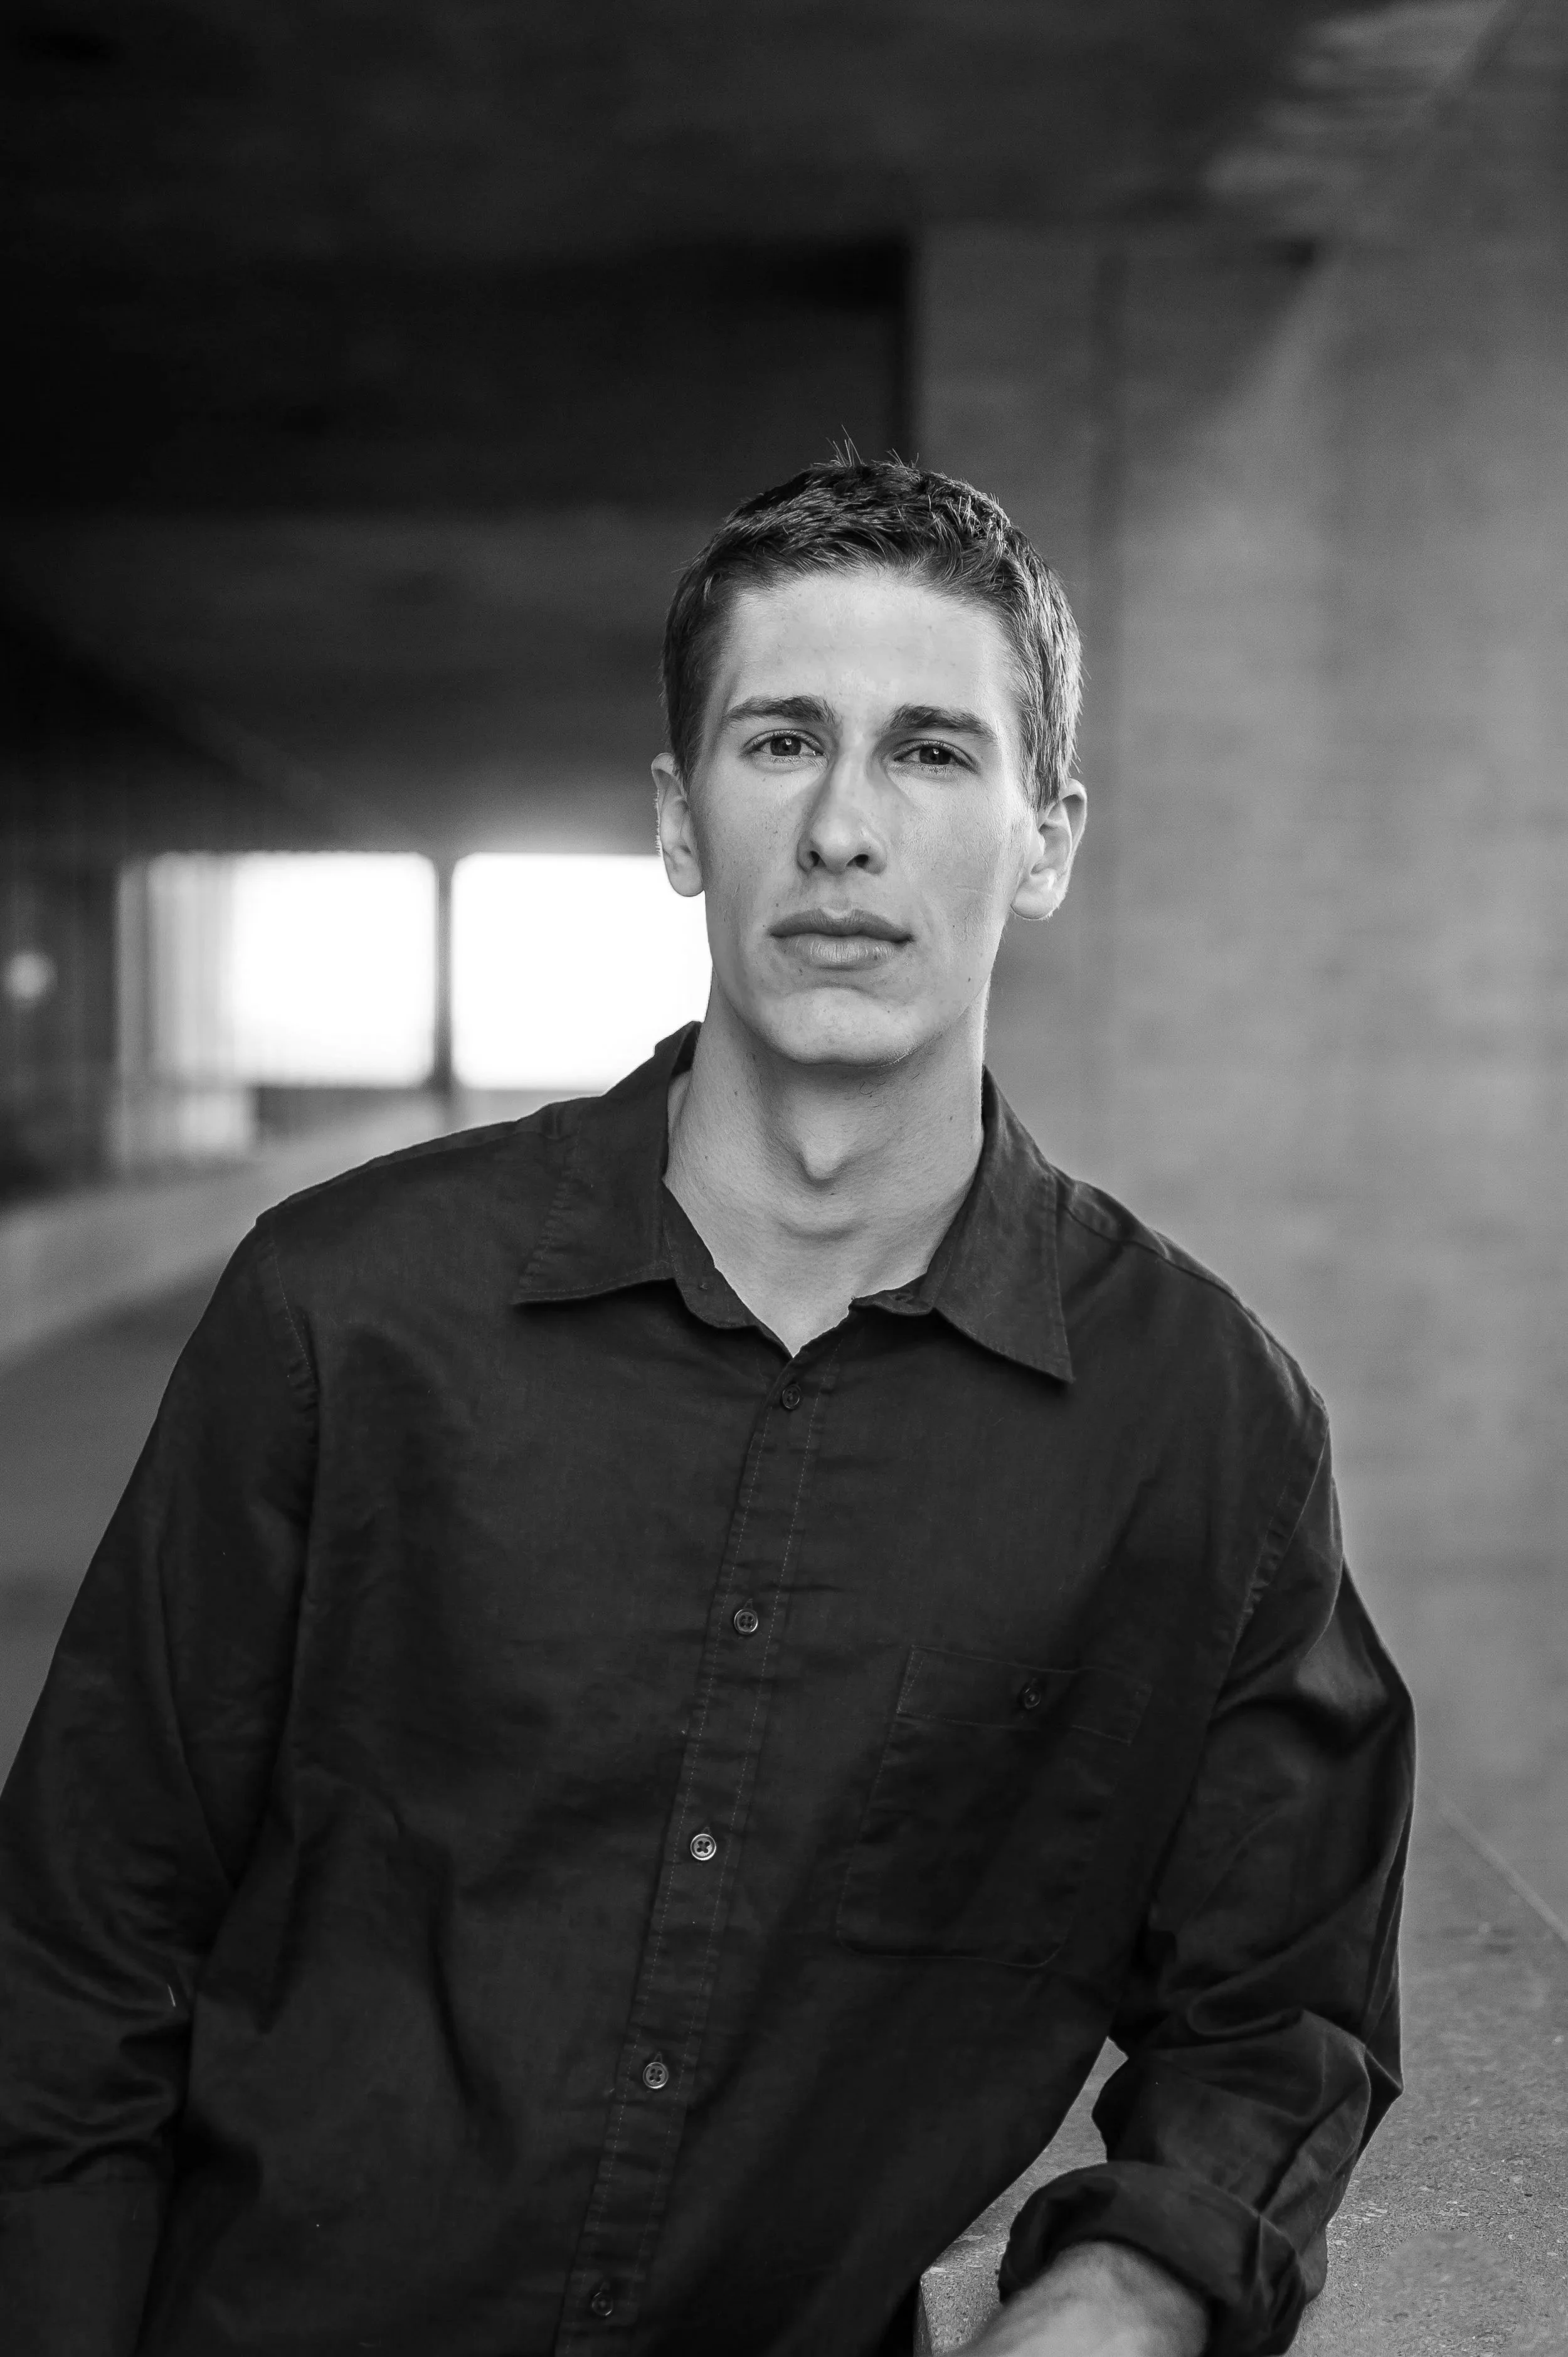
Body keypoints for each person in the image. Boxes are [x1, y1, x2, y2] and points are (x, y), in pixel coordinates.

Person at [0, 458, 1412, 2357]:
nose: (844, 828)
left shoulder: (1199, 1418)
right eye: (778, 743)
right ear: (682, 820)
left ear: (1046, 833)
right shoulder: (348, 1310)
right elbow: (74, 1953)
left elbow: (1278, 2007)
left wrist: (1130, 2279)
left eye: (928, 752)